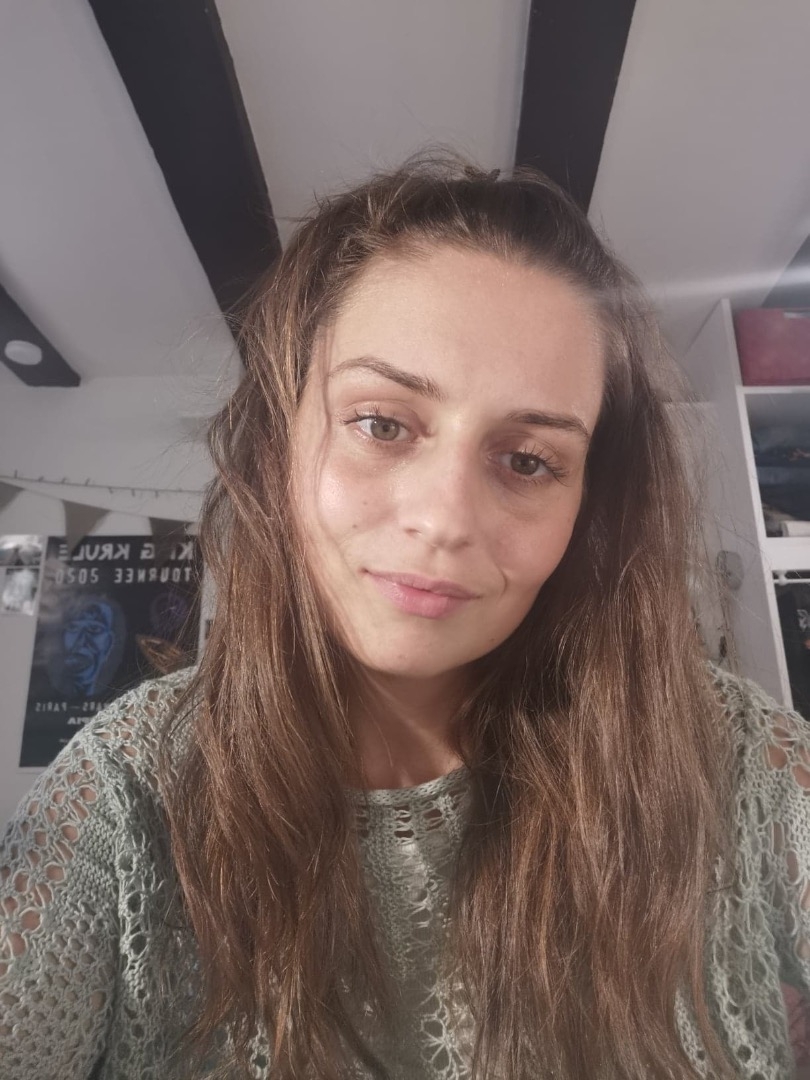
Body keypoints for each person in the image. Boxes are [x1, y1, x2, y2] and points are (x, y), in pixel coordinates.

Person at [2, 155, 809, 1080]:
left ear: (589, 506)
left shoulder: (733, 760)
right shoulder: (121, 794)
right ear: (277, 444)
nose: (445, 518)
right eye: (382, 424)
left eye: (529, 460)